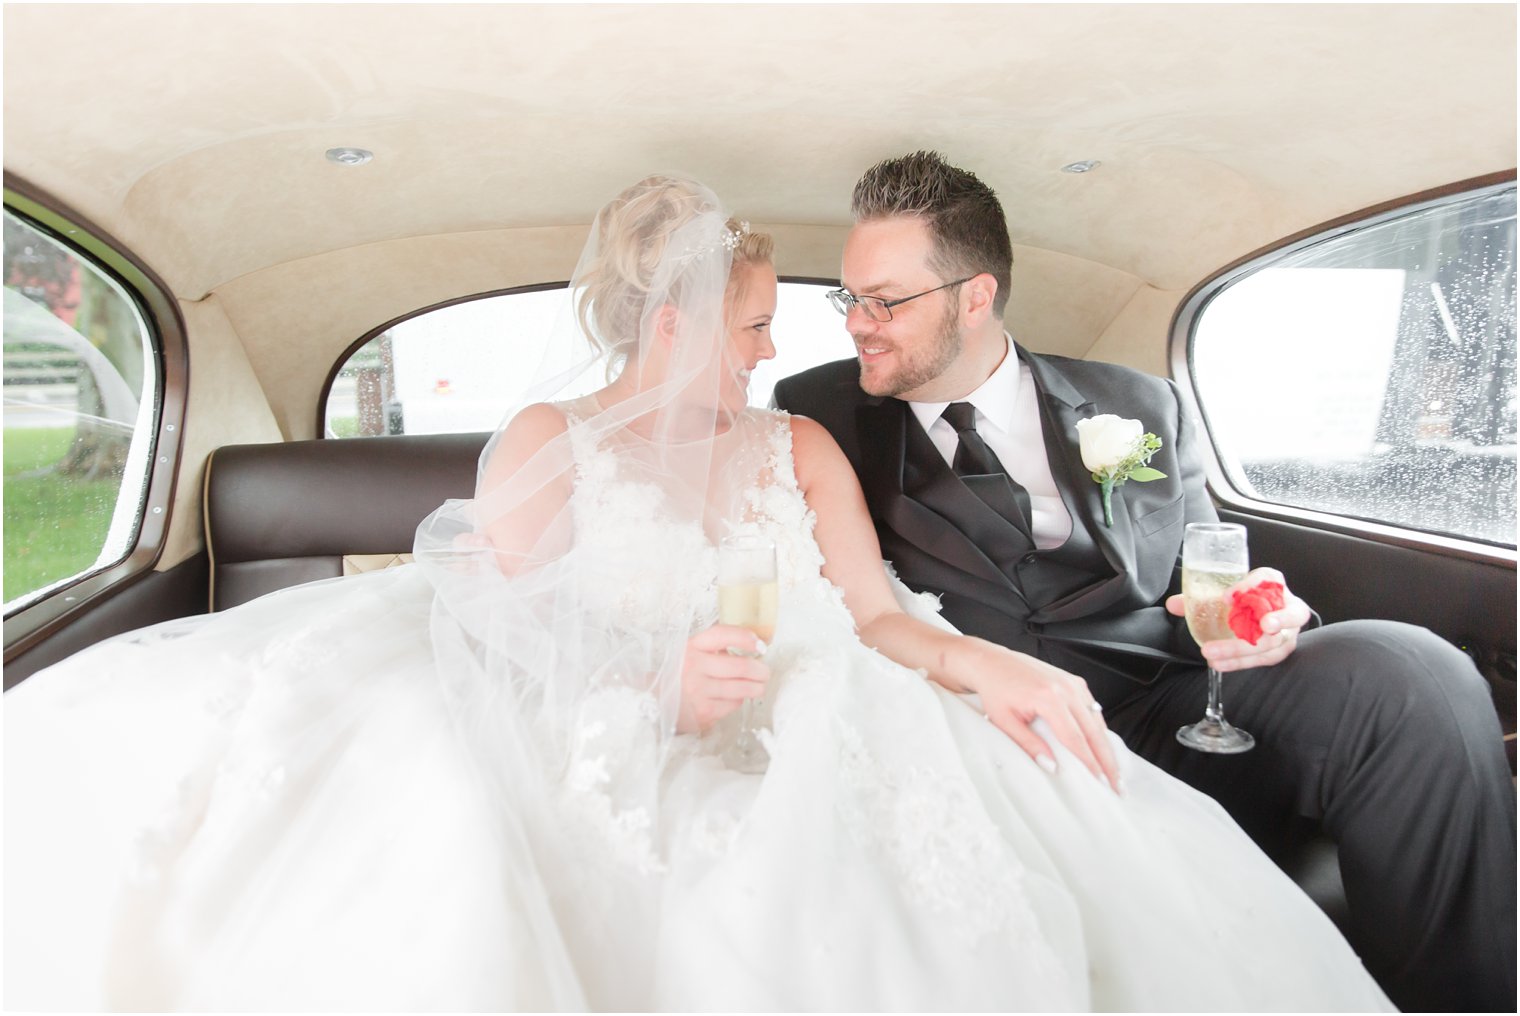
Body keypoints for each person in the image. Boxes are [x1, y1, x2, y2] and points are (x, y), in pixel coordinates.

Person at [5, 174, 1394, 1012]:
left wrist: (1001, 670)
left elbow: (879, 615)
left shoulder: (794, 445)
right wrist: (650, 692)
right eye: (746, 329)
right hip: (632, 737)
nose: (769, 352)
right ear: (667, 324)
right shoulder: (545, 446)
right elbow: (492, 640)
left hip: (837, 708)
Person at [772, 151, 1517, 1013]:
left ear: (975, 297)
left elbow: (1208, 563)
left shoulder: (1136, 403)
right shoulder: (814, 411)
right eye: (849, 298)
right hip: (991, 740)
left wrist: (1271, 611)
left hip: (1174, 710)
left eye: (886, 301)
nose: (857, 324)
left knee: (1413, 672)